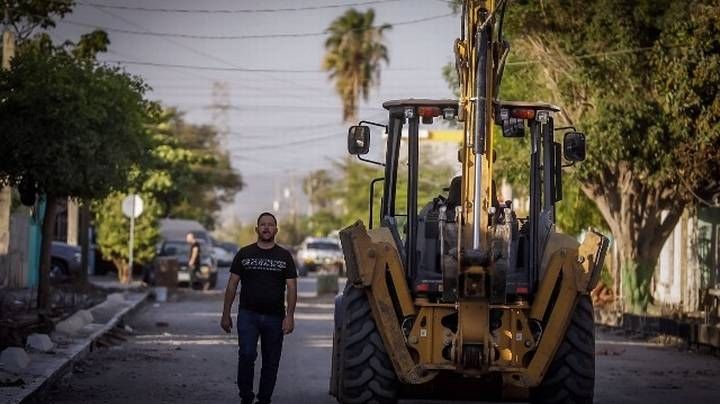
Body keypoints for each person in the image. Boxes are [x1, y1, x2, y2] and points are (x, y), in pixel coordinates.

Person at [220, 212, 298, 404]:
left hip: (275, 317)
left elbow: (292, 287)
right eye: (262, 224)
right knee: (246, 354)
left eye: (270, 225)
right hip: (248, 315)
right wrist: (225, 314)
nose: (266, 227)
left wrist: (290, 316)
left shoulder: (284, 256)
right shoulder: (244, 254)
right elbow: (232, 285)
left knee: (271, 361)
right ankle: (246, 396)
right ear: (256, 229)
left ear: (276, 230)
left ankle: (264, 399)